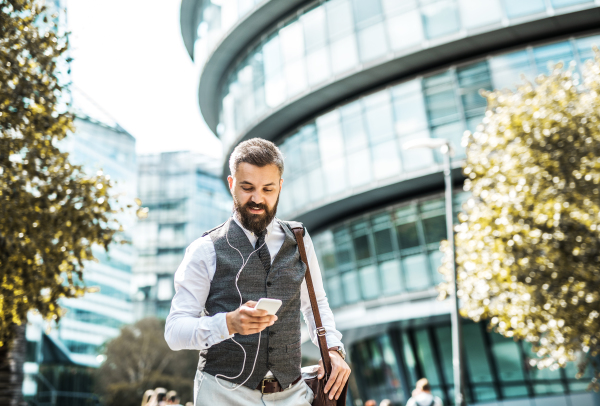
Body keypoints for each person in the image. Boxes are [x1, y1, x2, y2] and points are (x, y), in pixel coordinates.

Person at [165, 138, 351, 405]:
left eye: (268, 189)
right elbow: (174, 331)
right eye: (247, 187)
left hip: (292, 394)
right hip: (222, 394)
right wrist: (227, 323)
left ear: (280, 187)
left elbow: (316, 304)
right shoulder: (204, 250)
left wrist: (333, 349)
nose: (257, 198)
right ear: (231, 185)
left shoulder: (299, 238)